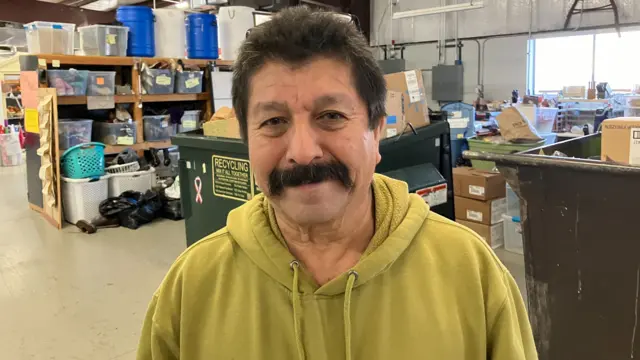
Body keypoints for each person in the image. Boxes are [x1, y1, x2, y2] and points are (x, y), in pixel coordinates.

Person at [137, 6, 537, 360]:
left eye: (330, 116)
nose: (304, 151)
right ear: (246, 141)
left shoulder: (470, 273)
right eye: (274, 122)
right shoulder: (191, 289)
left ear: (377, 132)